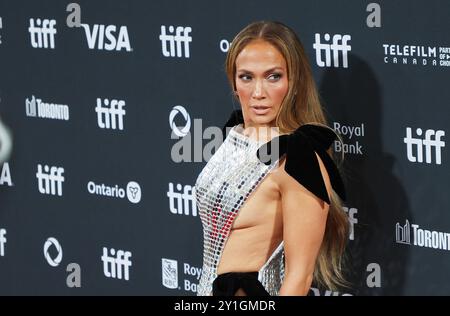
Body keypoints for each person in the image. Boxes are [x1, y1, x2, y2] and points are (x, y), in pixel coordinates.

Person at [195, 21, 349, 296]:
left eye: (273, 76)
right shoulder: (235, 133)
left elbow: (299, 278)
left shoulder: (298, 159)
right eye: (246, 77)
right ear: (233, 82)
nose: (258, 93)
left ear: (294, 82)